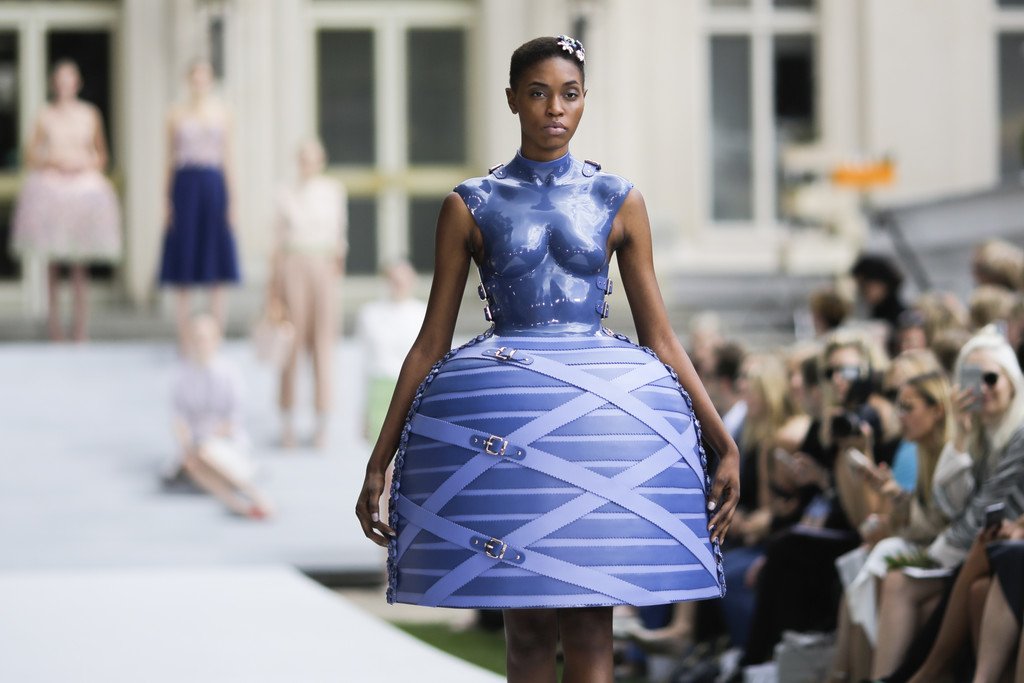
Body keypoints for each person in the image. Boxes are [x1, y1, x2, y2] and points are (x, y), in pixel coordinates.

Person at [354, 35, 740, 682]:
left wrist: (723, 441)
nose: (554, 108)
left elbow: (662, 337)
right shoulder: (470, 203)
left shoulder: (618, 198)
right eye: (538, 93)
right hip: (509, 421)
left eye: (569, 94)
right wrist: (379, 460)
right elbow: (430, 342)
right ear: (512, 100)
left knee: (591, 623)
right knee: (527, 628)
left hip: (595, 422)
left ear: (585, 100)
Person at [871, 327, 1024, 678]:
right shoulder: (980, 433)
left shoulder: (1018, 432)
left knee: (937, 582)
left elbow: (980, 511)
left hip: (988, 547)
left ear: (1012, 380)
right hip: (982, 549)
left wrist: (935, 554)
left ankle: (916, 673)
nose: (982, 388)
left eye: (990, 378)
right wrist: (961, 435)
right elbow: (954, 507)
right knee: (911, 579)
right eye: (972, 380)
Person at [10, 60, 121, 341]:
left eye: (69, 80)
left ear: (77, 84)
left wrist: (82, 164)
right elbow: (31, 154)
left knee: (79, 265)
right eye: (60, 80)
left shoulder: (90, 114)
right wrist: (54, 161)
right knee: (53, 264)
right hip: (53, 189)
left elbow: (101, 155)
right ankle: (55, 329)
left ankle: (80, 329)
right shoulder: (45, 115)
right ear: (54, 84)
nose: (64, 86)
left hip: (81, 189)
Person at [270, 139, 347, 449]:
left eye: (313, 158)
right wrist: (274, 289)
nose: (308, 164)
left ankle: (321, 423)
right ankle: (287, 421)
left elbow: (339, 236)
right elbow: (277, 242)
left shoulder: (332, 190)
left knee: (323, 345)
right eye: (303, 158)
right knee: (291, 343)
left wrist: (335, 271)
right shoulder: (284, 192)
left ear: (321, 161)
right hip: (293, 264)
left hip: (323, 265)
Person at [158, 60, 240, 347]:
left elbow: (228, 158)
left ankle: (215, 338)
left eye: (204, 78)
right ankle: (185, 340)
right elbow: (169, 159)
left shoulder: (222, 113)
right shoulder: (175, 114)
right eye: (195, 78)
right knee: (184, 261)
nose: (199, 83)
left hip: (213, 185)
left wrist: (232, 201)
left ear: (211, 81)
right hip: (185, 186)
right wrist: (166, 201)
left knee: (215, 262)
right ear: (188, 80)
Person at [169, 313, 272, 519]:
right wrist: (188, 447)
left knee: (205, 453)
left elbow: (233, 419)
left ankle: (254, 495)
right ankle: (238, 505)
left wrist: (205, 441)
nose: (200, 344)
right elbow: (179, 419)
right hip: (196, 447)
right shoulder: (182, 376)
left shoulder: (229, 373)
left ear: (215, 340)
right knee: (195, 464)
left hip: (224, 442)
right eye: (195, 338)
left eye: (204, 338)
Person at [356, 260, 426, 442]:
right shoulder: (370, 313)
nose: (399, 285)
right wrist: (363, 412)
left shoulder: (423, 313)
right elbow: (365, 362)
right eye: (394, 280)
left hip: (414, 388)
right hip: (380, 387)